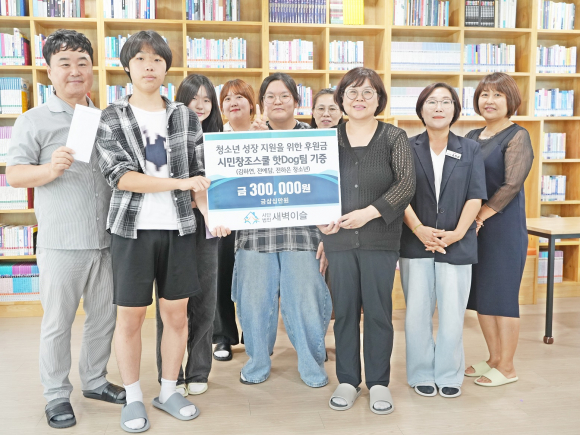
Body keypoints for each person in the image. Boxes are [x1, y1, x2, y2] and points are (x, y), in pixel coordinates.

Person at [95, 30, 227, 433]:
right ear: (127, 67)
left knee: (176, 316)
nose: (149, 66)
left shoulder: (185, 116)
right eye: (140, 59)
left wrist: (211, 215)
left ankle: (169, 390)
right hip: (131, 230)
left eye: (156, 59)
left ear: (167, 67)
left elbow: (200, 175)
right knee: (130, 318)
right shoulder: (112, 116)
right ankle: (134, 396)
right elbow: (120, 177)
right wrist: (179, 183)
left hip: (179, 228)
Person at [6, 29, 125, 429]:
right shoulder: (33, 120)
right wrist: (48, 169)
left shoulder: (105, 118)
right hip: (61, 243)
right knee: (57, 323)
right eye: (65, 63)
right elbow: (15, 175)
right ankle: (56, 394)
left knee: (104, 317)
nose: (75, 71)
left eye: (82, 63)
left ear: (92, 68)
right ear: (49, 71)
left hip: (106, 241)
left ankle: (94, 381)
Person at [318, 67, 415, 415]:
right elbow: (314, 186)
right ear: (342, 99)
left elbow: (406, 185)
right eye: (352, 93)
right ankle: (347, 380)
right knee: (344, 312)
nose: (359, 99)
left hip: (380, 240)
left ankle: (378, 383)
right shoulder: (327, 139)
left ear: (379, 100)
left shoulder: (394, 137)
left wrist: (369, 213)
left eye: (367, 92)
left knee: (378, 313)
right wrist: (320, 223)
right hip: (338, 241)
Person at [232, 72, 331, 388]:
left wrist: (329, 236)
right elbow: (232, 187)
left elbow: (327, 189)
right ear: (261, 103)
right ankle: (257, 361)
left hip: (303, 235)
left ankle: (312, 363)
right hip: (254, 235)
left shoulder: (315, 139)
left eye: (284, 95)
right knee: (254, 302)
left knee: (305, 300)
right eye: (270, 96)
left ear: (297, 101)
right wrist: (252, 144)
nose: (277, 101)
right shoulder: (246, 138)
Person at [399, 83, 487, 399]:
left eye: (446, 101)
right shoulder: (406, 147)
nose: (439, 107)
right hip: (416, 243)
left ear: (455, 109)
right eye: (432, 102)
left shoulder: (470, 148)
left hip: (457, 243)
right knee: (417, 313)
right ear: (421, 109)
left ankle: (449, 373)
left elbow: (476, 195)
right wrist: (419, 229)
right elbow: (399, 195)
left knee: (452, 314)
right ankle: (421, 372)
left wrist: (459, 232)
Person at [155, 74, 223, 398]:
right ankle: (170, 374)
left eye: (207, 100)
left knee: (204, 302)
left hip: (209, 227)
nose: (200, 105)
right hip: (172, 224)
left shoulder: (221, 141)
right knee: (171, 304)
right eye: (193, 98)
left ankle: (198, 370)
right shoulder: (166, 135)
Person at [464, 72, 534, 387]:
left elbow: (511, 185)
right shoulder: (471, 136)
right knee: (483, 295)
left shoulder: (517, 136)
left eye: (497, 95)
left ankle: (507, 367)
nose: (489, 101)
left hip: (502, 228)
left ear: (510, 101)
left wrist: (479, 216)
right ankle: (493, 358)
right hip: (474, 228)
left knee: (502, 296)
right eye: (484, 94)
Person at [211, 79, 257, 362]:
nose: (233, 102)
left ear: (252, 104)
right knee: (222, 275)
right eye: (227, 99)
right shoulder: (214, 138)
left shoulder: (265, 134)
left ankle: (254, 334)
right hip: (224, 219)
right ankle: (223, 336)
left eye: (239, 97)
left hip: (258, 219)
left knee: (255, 279)